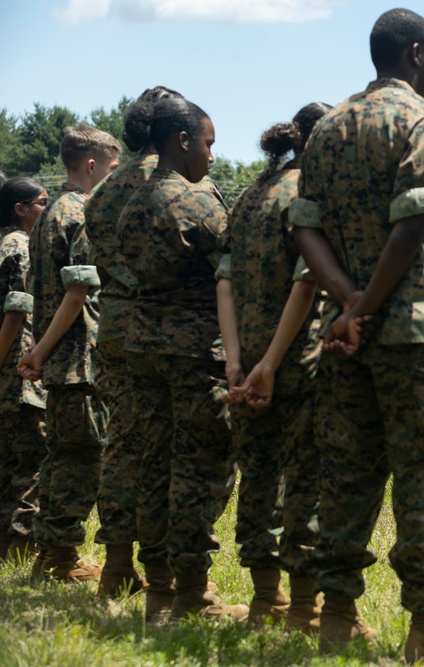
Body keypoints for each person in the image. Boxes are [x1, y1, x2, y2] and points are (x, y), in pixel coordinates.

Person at [291, 8, 424, 661]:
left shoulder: (328, 128)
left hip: (345, 336)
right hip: (416, 331)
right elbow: (414, 221)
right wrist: (368, 302)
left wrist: (346, 304)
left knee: (345, 472)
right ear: (417, 53)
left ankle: (337, 613)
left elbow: (304, 226)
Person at [117, 97, 245, 622]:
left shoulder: (132, 204)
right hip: (194, 352)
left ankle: (158, 590)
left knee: (155, 465)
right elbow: (234, 271)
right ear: (184, 141)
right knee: (199, 468)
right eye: (209, 144)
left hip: (142, 347)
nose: (212, 156)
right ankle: (193, 592)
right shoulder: (197, 203)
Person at [215, 102, 331, 633]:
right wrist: (271, 364)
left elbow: (225, 281)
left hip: (245, 361)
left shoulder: (250, 196)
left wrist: (238, 362)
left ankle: (266, 600)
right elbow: (307, 283)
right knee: (304, 481)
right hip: (295, 361)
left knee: (258, 477)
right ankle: (305, 608)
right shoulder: (311, 193)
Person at [84, 85, 184, 599]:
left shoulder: (101, 193)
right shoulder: (174, 182)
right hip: (168, 330)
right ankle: (168, 574)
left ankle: (116, 565)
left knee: (121, 444)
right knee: (168, 449)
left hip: (116, 328)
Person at [19, 125, 120, 581]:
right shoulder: (83, 211)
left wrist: (41, 351)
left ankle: (52, 554)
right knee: (83, 459)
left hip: (61, 360)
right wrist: (40, 350)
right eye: (113, 168)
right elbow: (78, 292)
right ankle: (60, 558)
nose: (115, 177)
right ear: (92, 165)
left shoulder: (47, 215)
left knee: (65, 456)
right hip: (79, 359)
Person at [0, 177, 48, 563]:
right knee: (31, 463)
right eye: (41, 203)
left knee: (8, 463)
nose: (46, 211)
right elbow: (17, 310)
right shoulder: (19, 246)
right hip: (14, 372)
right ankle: (22, 548)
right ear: (20, 208)